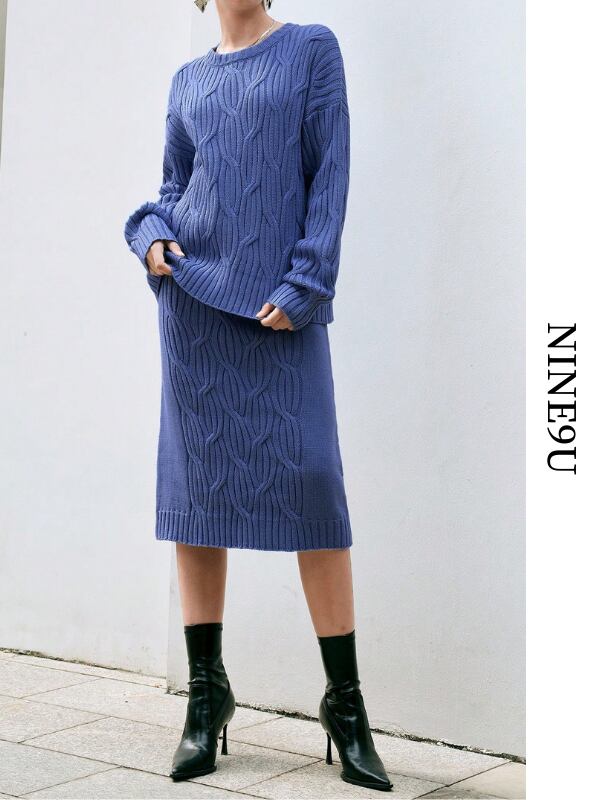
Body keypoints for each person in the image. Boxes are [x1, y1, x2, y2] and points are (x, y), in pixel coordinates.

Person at [124, 0, 392, 791]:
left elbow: (330, 172)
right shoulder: (188, 80)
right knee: (198, 496)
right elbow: (174, 186)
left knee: (314, 491)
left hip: (282, 310)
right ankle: (206, 695)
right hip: (195, 308)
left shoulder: (311, 49)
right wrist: (153, 237)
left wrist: (309, 279)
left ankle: (345, 705)